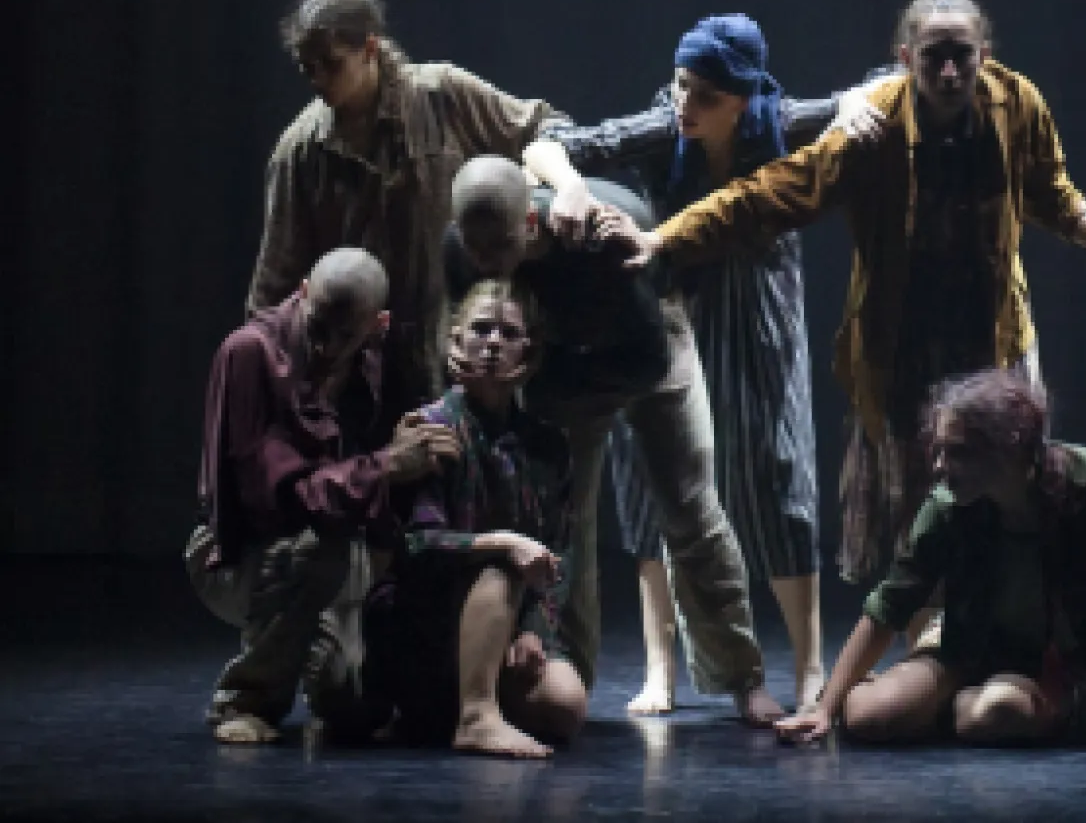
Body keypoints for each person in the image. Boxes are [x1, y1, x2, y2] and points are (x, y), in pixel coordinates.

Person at [603, 0, 1086, 603]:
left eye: (962, 56)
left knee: (1011, 487)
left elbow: (1052, 193)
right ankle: (929, 632)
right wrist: (663, 238)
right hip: (904, 343)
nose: (948, 72)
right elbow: (769, 194)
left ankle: (1010, 626)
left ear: (984, 55)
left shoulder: (1016, 104)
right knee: (917, 503)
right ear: (904, 57)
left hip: (992, 332)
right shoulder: (874, 126)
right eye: (933, 56)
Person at [526, 13, 890, 712]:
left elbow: (874, 93)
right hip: (669, 301)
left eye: (705, 95)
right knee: (653, 479)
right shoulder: (665, 125)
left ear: (743, 100)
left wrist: (851, 105)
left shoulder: (780, 122)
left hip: (758, 305)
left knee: (778, 473)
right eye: (680, 85)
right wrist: (570, 186)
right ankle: (661, 667)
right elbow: (547, 145)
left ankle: (808, 667)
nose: (685, 104)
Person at [444, 156, 786, 724]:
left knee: (690, 507)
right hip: (561, 360)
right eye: (475, 248)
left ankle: (742, 676)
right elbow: (465, 316)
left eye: (499, 248)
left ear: (530, 223)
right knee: (566, 523)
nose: (486, 262)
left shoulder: (595, 239)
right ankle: (568, 672)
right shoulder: (464, 248)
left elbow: (647, 360)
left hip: (647, 342)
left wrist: (549, 384)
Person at [773, 367, 1086, 749]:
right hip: (970, 646)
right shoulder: (949, 506)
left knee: (998, 710)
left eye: (959, 453)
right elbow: (890, 605)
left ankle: (953, 707)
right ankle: (937, 697)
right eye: (939, 451)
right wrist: (824, 709)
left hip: (1053, 663)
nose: (940, 467)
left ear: (1013, 445)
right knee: (868, 717)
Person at [246, 0, 579, 434]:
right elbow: (275, 282)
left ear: (369, 48)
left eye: (332, 64)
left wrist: (524, 195)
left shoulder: (440, 96)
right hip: (366, 372)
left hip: (466, 349)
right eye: (308, 69)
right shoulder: (301, 153)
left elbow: (546, 129)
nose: (319, 80)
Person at [183, 247, 459, 744]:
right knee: (318, 552)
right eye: (318, 327)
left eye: (345, 334)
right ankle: (246, 699)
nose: (327, 346)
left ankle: (323, 664)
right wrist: (384, 467)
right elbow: (270, 498)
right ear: (304, 292)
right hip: (242, 549)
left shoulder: (377, 361)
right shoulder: (250, 353)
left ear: (377, 325)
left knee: (353, 708)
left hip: (339, 545)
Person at [364, 280, 587, 758]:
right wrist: (499, 543)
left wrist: (535, 628)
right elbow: (416, 546)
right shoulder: (432, 430)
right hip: (425, 619)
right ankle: (474, 717)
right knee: (503, 563)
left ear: (528, 352)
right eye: (481, 329)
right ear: (456, 340)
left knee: (564, 705)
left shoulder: (548, 446)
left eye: (509, 334)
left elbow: (560, 550)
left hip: (504, 621)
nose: (493, 344)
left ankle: (467, 699)